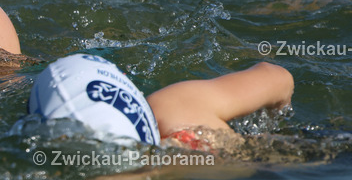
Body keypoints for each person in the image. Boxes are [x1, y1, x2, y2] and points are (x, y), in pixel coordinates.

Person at [27, 53, 293, 151]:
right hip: (317, 161)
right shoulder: (174, 107)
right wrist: (270, 128)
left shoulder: (155, 174)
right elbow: (278, 77)